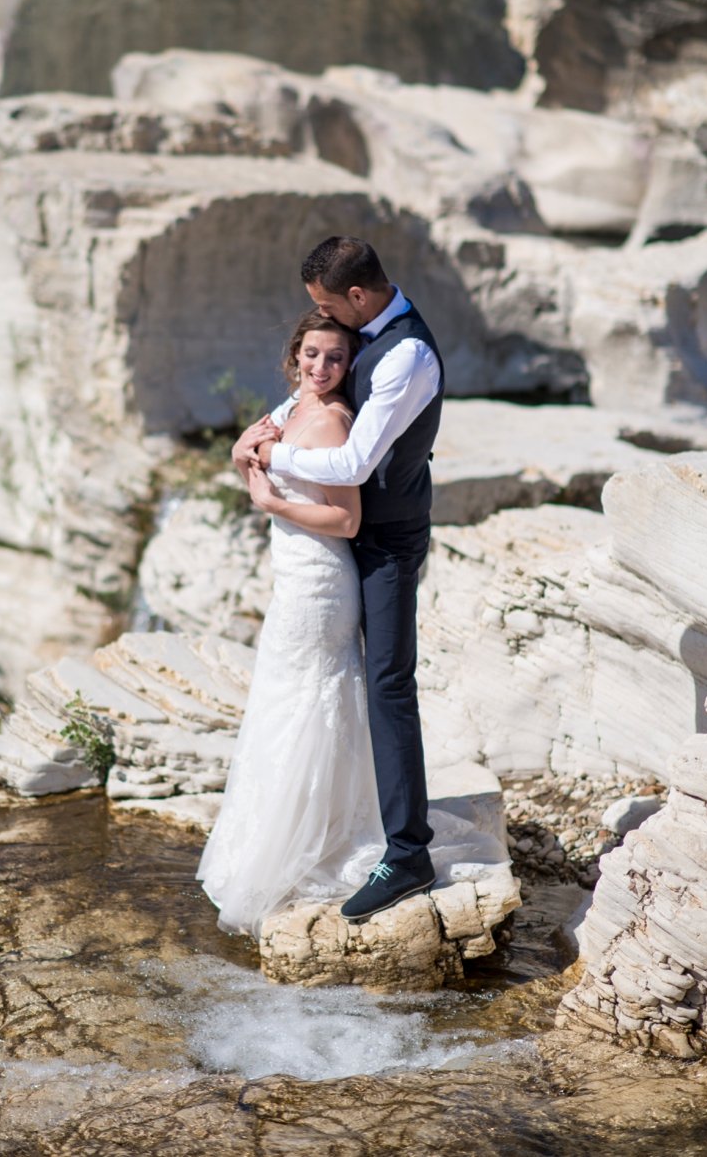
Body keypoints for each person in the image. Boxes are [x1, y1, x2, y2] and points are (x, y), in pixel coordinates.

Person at [250, 236, 444, 924]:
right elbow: (311, 386)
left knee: (389, 683)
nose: (325, 318)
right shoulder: (363, 335)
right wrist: (266, 423)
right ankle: (336, 820)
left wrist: (276, 459)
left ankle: (407, 854)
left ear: (357, 298)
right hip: (339, 540)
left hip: (387, 541)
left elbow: (357, 462)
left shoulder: (406, 354)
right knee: (336, 681)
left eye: (328, 305)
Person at [196, 310, 386, 937]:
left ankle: (319, 839)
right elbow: (251, 459)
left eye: (334, 358)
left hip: (321, 582)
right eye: (311, 354)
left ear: (348, 365)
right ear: (294, 355)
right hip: (291, 575)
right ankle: (281, 831)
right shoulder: (290, 409)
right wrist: (239, 456)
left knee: (312, 700)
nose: (321, 368)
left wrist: (273, 502)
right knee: (282, 700)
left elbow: (348, 521)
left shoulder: (331, 421)